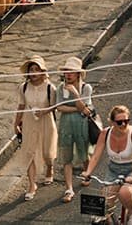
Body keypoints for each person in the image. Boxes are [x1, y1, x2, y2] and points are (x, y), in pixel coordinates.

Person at [83, 103, 132, 225]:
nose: (123, 124)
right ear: (112, 122)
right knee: (105, 204)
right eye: (119, 122)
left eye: (126, 121)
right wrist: (88, 172)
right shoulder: (105, 133)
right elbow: (96, 155)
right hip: (114, 170)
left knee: (125, 194)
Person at [15, 56, 59, 201]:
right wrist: (16, 123)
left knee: (47, 151)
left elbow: (55, 106)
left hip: (46, 120)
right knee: (30, 152)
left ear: (42, 71)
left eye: (36, 69)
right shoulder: (24, 87)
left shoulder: (49, 87)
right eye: (31, 70)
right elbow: (21, 105)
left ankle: (50, 168)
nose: (33, 73)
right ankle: (32, 185)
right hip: (29, 121)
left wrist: (44, 111)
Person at [55, 58, 94, 203]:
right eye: (66, 71)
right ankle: (69, 188)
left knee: (84, 153)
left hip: (81, 125)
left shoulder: (86, 88)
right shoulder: (60, 88)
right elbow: (60, 108)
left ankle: (87, 174)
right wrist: (77, 108)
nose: (68, 75)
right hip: (66, 126)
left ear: (78, 74)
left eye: (72, 71)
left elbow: (86, 110)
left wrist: (76, 95)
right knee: (67, 157)